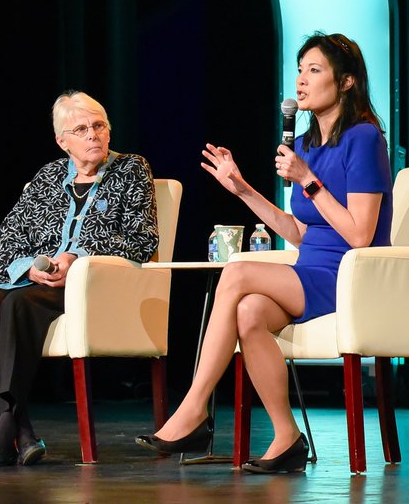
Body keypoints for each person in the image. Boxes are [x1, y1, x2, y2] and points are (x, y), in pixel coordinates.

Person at [136, 32, 392, 474]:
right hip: (311, 268)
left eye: (314, 70)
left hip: (353, 278)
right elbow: (298, 230)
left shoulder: (364, 139)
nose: (301, 82)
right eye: (299, 70)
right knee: (250, 310)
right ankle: (286, 436)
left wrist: (308, 180)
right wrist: (243, 189)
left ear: (347, 81)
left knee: (236, 274)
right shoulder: (309, 144)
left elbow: (361, 235)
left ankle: (195, 408)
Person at [0, 90, 158, 466]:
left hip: (93, 284)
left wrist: (78, 257)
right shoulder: (48, 176)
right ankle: (19, 426)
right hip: (36, 279)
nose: (92, 135)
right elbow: (7, 237)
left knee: (18, 303)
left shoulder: (132, 169)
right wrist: (29, 267)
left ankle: (7, 431)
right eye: (81, 129)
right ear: (62, 141)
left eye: (99, 125)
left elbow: (143, 237)